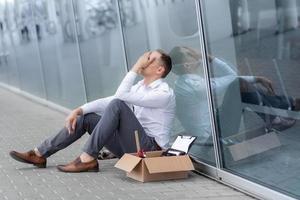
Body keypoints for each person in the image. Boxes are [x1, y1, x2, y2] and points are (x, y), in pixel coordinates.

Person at [9, 50, 175, 173]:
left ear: (159, 70)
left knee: (118, 104)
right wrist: (79, 110)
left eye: (148, 59)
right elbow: (109, 101)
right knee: (85, 118)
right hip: (133, 146)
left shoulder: (163, 93)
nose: (143, 60)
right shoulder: (139, 87)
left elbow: (119, 97)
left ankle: (87, 158)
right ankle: (39, 154)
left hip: (151, 150)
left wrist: (135, 67)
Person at [169, 46, 300, 143]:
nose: (196, 55)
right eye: (191, 55)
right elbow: (232, 78)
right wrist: (208, 57)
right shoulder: (195, 86)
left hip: (213, 125)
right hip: (212, 136)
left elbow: (229, 79)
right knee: (239, 85)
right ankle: (278, 117)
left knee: (242, 86)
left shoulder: (185, 83)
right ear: (187, 65)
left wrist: (257, 78)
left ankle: (289, 105)